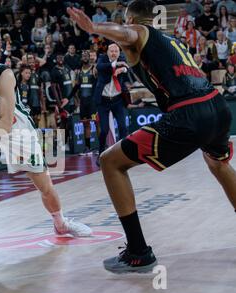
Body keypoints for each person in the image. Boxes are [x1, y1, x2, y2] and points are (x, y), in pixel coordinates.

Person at [68, 0, 236, 274]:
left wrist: (95, 27)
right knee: (218, 163)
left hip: (188, 113)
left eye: (126, 21)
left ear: (132, 18)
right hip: (215, 105)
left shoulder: (140, 33)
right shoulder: (172, 41)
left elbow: (128, 34)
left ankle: (138, 252)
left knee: (110, 161)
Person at [0, 33, 92, 262]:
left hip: (15, 127)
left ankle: (61, 224)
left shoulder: (3, 74)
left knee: (44, 185)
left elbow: (3, 123)